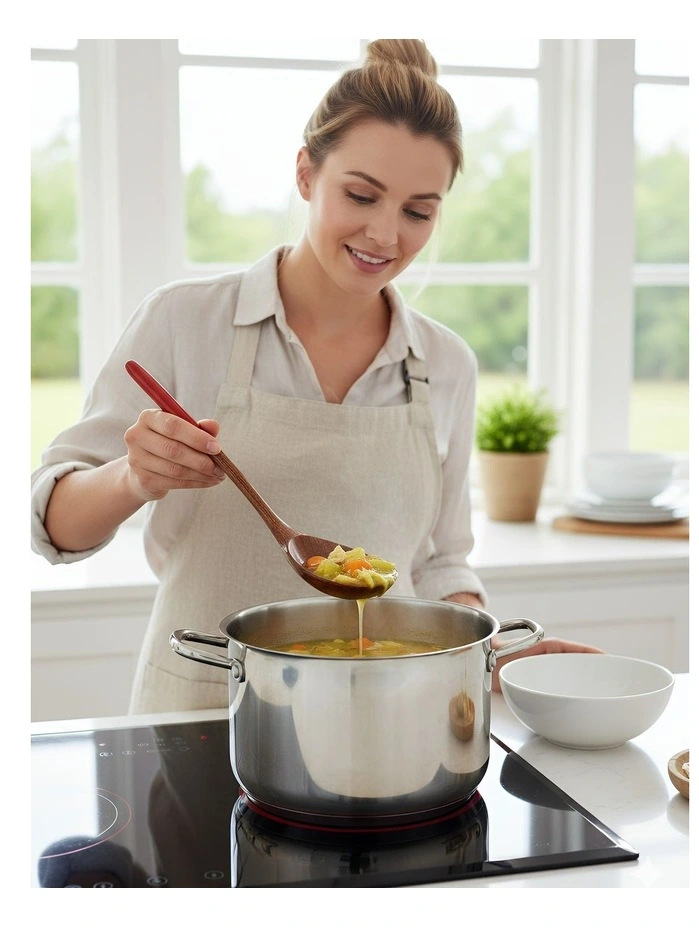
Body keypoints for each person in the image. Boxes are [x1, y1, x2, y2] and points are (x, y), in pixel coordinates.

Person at [31, 39, 600, 714]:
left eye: (419, 211)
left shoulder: (446, 366)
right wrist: (134, 478)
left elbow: (443, 560)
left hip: (384, 717)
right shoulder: (185, 321)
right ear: (305, 173)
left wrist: (486, 645)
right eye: (362, 195)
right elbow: (54, 526)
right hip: (200, 710)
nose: (386, 235)